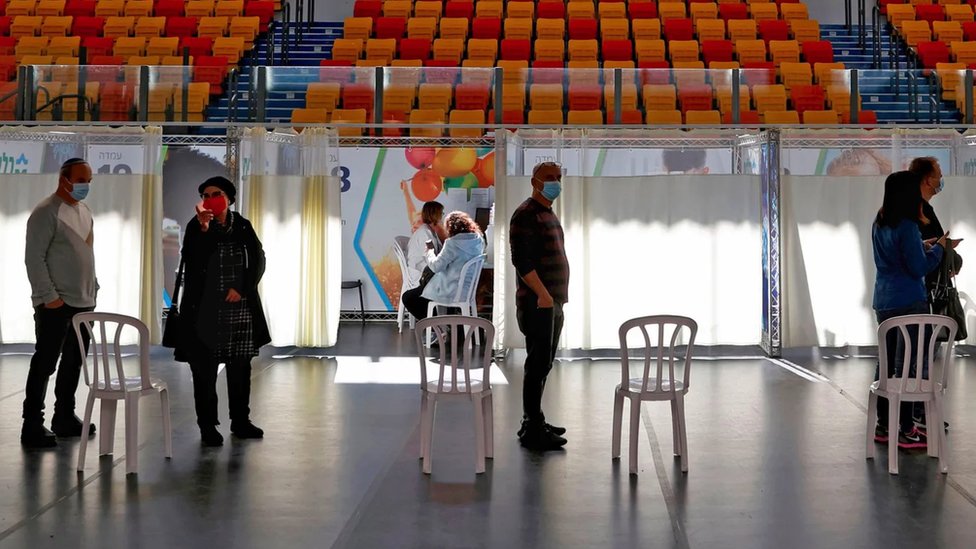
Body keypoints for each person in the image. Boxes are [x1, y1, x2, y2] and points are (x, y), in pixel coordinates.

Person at [175, 176, 270, 447]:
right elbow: (191, 259)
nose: (210, 199)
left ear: (229, 198)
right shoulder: (196, 225)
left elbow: (258, 259)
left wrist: (243, 288)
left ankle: (240, 421)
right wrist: (204, 229)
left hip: (239, 308)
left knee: (240, 368)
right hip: (204, 312)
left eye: (216, 194)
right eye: (205, 195)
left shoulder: (242, 224)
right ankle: (207, 425)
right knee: (204, 371)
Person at [871, 170, 951, 449]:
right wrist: (939, 248)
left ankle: (884, 425)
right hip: (909, 302)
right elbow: (918, 267)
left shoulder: (880, 221)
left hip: (884, 300)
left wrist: (921, 246)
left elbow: (895, 256)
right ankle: (906, 428)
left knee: (886, 365)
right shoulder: (907, 225)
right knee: (907, 366)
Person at [21, 158, 97, 448]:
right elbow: (34, 258)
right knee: (45, 363)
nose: (85, 185)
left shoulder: (85, 211)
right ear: (64, 179)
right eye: (81, 180)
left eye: (89, 180)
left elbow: (87, 252)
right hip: (55, 303)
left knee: (74, 362)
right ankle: (32, 423)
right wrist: (49, 297)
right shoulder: (45, 212)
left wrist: (93, 287)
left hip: (83, 301)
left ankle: (64, 416)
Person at [509, 161, 570, 452]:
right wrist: (543, 295)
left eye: (558, 177)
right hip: (539, 303)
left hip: (551, 301)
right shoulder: (526, 214)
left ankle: (534, 420)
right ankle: (532, 428)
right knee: (536, 365)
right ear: (535, 182)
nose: (555, 182)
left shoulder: (546, 212)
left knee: (543, 363)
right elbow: (522, 261)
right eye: (549, 177)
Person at [908, 156, 963, 432]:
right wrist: (940, 249)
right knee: (917, 358)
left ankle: (913, 415)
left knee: (918, 358)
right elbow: (917, 259)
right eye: (939, 174)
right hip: (919, 294)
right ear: (927, 179)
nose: (941, 180)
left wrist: (943, 249)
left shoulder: (920, 211)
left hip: (922, 292)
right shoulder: (913, 214)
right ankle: (915, 415)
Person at [402, 211, 485, 321]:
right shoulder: (479, 240)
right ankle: (448, 326)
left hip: (449, 290)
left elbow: (436, 267)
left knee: (408, 297)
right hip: (467, 290)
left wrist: (429, 252)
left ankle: (436, 326)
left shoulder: (452, 243)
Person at [406, 201, 447, 285]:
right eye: (441, 213)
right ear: (434, 214)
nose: (443, 216)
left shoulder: (429, 231)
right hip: (420, 275)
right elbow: (431, 260)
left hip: (426, 271)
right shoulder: (425, 233)